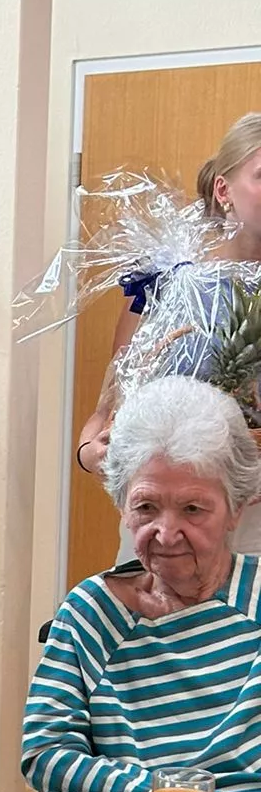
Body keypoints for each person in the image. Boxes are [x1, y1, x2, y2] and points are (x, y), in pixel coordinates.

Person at [23, 377, 261, 792]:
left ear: (236, 509)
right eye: (146, 507)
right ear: (122, 506)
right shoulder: (93, 612)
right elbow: (45, 754)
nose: (166, 534)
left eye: (193, 509)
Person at [76, 112, 261, 550]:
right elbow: (109, 409)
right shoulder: (170, 280)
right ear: (223, 190)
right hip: (163, 516)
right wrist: (90, 452)